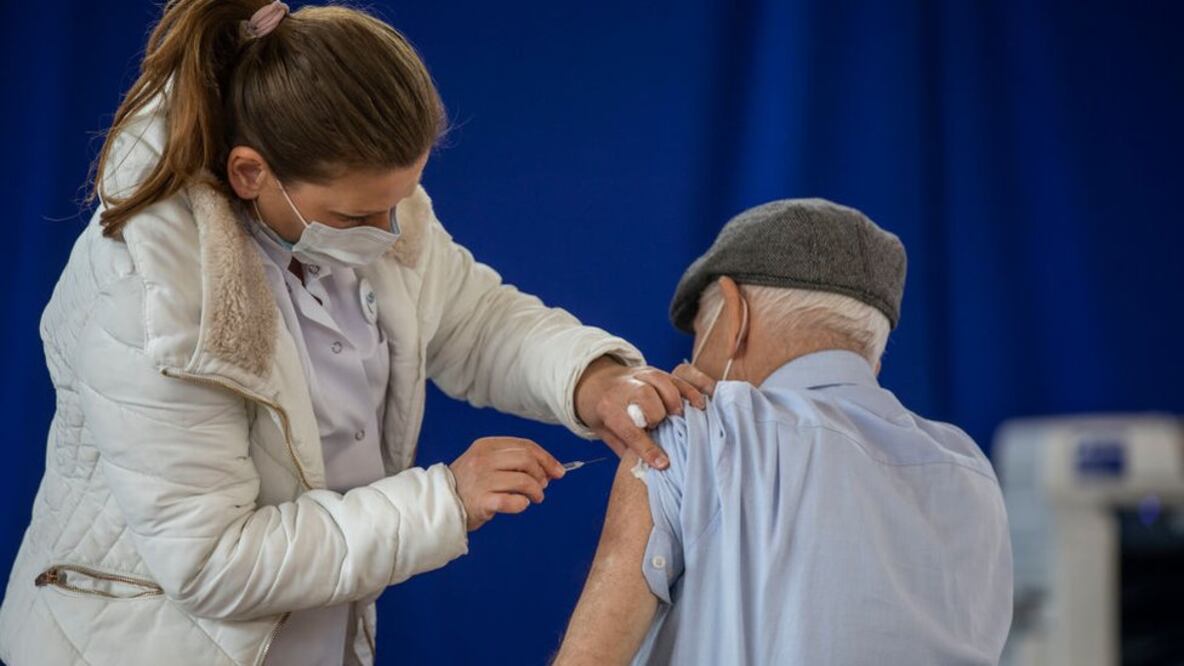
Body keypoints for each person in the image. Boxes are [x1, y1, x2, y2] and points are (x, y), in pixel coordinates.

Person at [0, 1, 707, 664]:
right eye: (358, 217)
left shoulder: (372, 208)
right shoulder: (150, 293)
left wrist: (594, 380)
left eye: (402, 201)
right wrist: (447, 501)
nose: (391, 233)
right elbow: (213, 563)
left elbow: (471, 319)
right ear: (251, 174)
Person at [554, 199, 1013, 665]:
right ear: (873, 359)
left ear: (733, 318)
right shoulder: (970, 469)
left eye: (698, 333)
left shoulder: (694, 433)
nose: (690, 363)